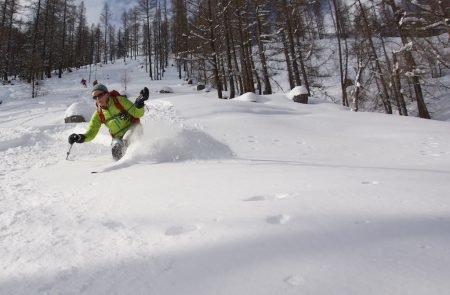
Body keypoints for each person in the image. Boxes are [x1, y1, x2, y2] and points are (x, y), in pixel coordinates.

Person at [68, 84, 149, 160]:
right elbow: (91, 132)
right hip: (117, 137)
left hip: (133, 128)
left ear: (107, 94)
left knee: (126, 140)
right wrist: (80, 137)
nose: (98, 99)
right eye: (94, 97)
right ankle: (122, 171)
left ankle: (140, 163)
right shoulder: (98, 114)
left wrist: (139, 104)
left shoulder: (120, 101)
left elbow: (137, 113)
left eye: (100, 95)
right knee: (116, 154)